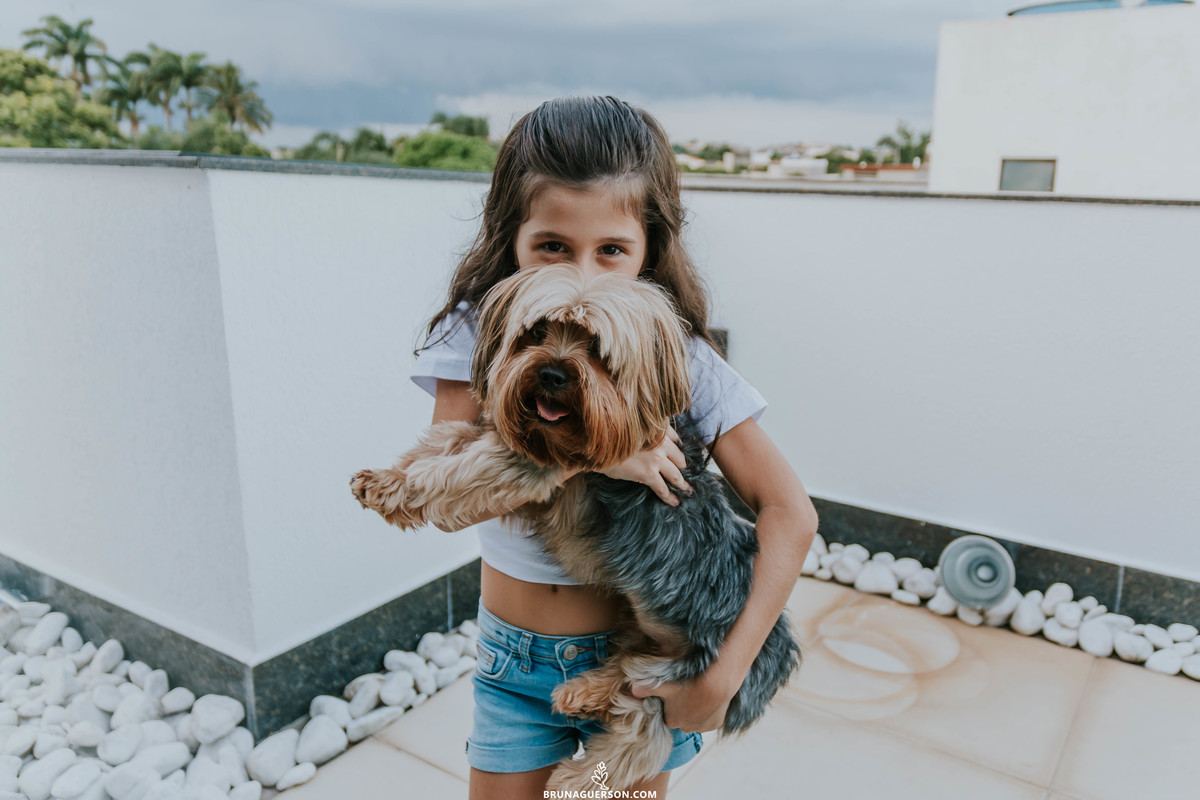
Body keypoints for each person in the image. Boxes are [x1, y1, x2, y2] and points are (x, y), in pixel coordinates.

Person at [409, 96, 818, 799]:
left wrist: (720, 679)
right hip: (515, 669)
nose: (584, 277)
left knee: (590, 794)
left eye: (612, 252)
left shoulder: (678, 356)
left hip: (636, 682)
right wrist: (596, 454)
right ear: (512, 235)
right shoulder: (481, 334)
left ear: (649, 249)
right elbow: (442, 500)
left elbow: (791, 511)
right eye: (552, 247)